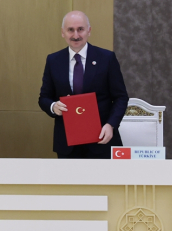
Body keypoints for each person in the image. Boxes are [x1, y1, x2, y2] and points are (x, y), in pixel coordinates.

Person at [38, 11, 129, 159]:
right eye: (70, 30)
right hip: (68, 143)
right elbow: (44, 98)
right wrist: (53, 106)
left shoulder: (106, 58)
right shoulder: (53, 60)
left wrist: (111, 125)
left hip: (101, 140)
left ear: (89, 31)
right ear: (63, 33)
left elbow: (121, 97)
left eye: (80, 29)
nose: (76, 35)